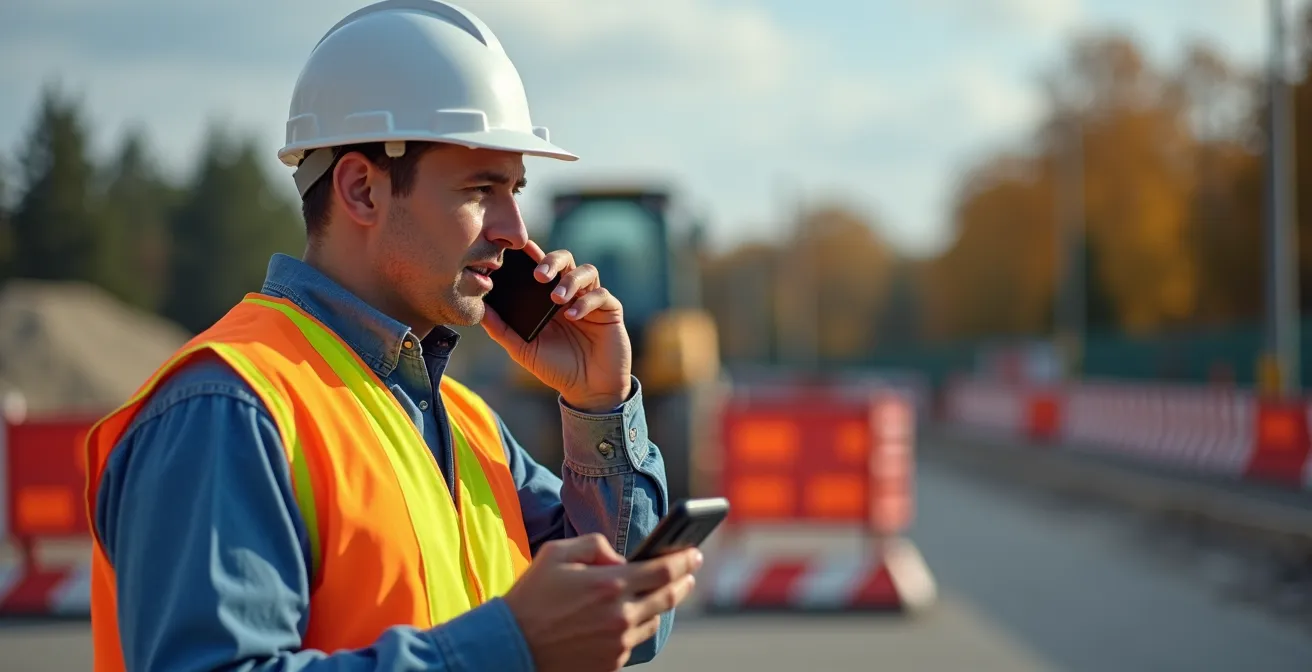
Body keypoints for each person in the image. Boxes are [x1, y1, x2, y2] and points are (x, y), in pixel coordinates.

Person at [81, 2, 702, 670]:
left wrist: (597, 402)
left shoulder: (466, 425)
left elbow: (627, 625)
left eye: (516, 188)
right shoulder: (228, 410)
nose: (515, 230)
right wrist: (509, 647)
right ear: (361, 190)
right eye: (481, 189)